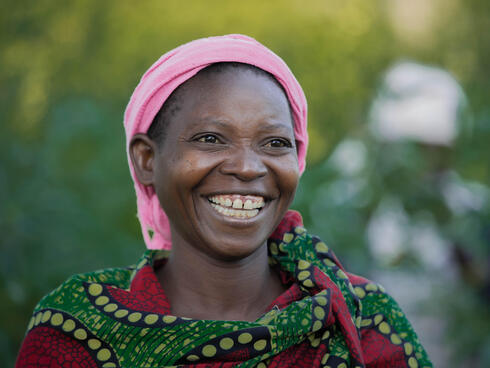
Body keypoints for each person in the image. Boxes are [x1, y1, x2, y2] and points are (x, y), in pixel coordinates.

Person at [16, 34, 432, 367]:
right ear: (146, 159)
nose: (249, 167)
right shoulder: (76, 330)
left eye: (275, 143)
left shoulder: (362, 321)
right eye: (211, 139)